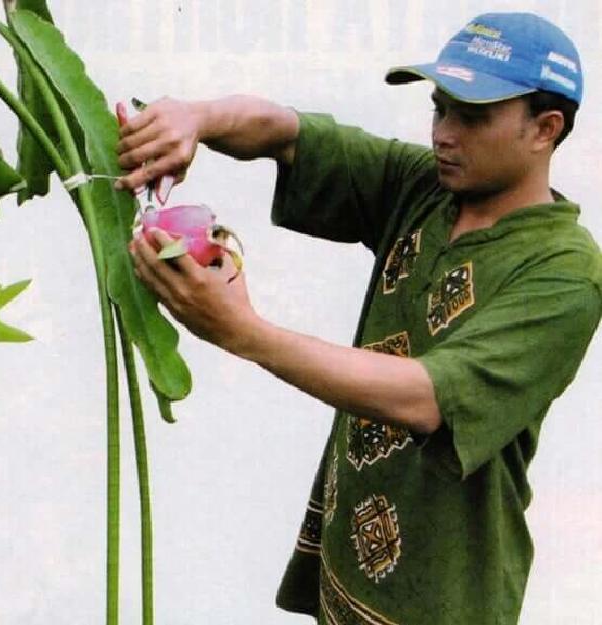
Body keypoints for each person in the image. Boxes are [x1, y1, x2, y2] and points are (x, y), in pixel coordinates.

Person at [117, 12, 601, 625]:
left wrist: (246, 334)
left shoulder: (564, 272)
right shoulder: (427, 189)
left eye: (471, 117)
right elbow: (288, 133)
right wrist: (196, 117)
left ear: (545, 129)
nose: (443, 135)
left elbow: (427, 397)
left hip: (444, 595)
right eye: (439, 109)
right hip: (350, 562)